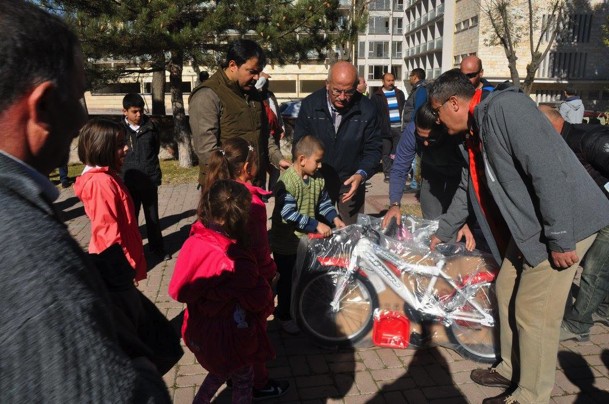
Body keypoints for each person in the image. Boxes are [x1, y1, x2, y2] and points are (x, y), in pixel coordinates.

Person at [0, 1, 169, 401]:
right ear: (41, 105)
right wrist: (138, 361)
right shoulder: (29, 252)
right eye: (76, 99)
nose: (79, 122)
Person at [428, 69, 609, 404]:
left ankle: (530, 395)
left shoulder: (505, 109)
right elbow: (469, 187)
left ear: (453, 103)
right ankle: (512, 369)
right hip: (533, 226)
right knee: (506, 287)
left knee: (533, 310)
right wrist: (443, 231)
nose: (437, 121)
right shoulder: (476, 129)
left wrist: (559, 237)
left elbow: (546, 168)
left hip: (566, 221)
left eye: (437, 113)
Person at [169, 180, 275, 404]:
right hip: (235, 336)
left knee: (219, 370)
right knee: (244, 380)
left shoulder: (193, 241)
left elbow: (177, 289)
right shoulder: (239, 259)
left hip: (202, 331)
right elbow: (259, 300)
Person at [200, 138, 289, 399]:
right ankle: (258, 383)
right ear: (248, 166)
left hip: (223, 278)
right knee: (253, 335)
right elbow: (260, 249)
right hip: (250, 279)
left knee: (235, 331)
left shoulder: (214, 193)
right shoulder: (253, 203)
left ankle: (235, 371)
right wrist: (271, 272)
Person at [539, 105, 609, 341]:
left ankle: (579, 325)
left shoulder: (588, 140)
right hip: (595, 212)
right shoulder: (560, 142)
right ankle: (603, 307)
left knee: (594, 271)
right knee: (598, 264)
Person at [270, 135, 346, 333]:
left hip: (304, 243)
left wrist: (334, 218)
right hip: (285, 244)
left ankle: (297, 309)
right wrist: (316, 224)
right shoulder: (287, 182)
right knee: (287, 280)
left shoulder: (317, 179)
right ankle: (283, 315)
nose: (320, 166)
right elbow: (288, 214)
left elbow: (324, 202)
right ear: (302, 159)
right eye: (317, 161)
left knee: (301, 277)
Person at [189, 39, 287, 188]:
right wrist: (236, 179)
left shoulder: (253, 93)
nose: (256, 78)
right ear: (233, 65)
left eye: (259, 72)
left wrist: (278, 159)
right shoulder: (207, 95)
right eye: (252, 72)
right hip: (225, 189)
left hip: (255, 184)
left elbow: (264, 134)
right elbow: (207, 151)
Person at [293, 61, 382, 225]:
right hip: (316, 179)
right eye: (337, 91)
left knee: (351, 231)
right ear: (327, 84)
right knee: (317, 232)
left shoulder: (367, 109)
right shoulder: (310, 105)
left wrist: (361, 174)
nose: (342, 97)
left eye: (348, 92)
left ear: (356, 86)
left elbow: (374, 149)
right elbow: (299, 144)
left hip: (351, 181)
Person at [74, 118, 148, 282]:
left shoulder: (107, 177)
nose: (127, 148)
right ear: (102, 148)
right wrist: (122, 273)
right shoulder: (101, 184)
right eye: (120, 145)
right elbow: (108, 234)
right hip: (116, 268)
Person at [120, 93, 170, 261]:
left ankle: (157, 249)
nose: (139, 115)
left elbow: (154, 150)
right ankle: (133, 251)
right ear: (125, 111)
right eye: (134, 111)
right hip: (128, 182)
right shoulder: (119, 131)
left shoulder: (151, 127)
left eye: (141, 111)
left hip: (148, 180)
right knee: (130, 220)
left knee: (153, 218)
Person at [255, 72, 290, 191]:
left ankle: (273, 189)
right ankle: (263, 190)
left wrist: (281, 127)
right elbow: (257, 88)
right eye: (264, 80)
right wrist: (261, 80)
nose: (266, 82)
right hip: (261, 134)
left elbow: (276, 112)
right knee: (262, 164)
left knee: (276, 162)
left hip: (274, 133)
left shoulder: (270, 95)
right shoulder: (256, 95)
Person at [370, 72, 406, 182]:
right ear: (383, 81)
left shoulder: (399, 93)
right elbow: (374, 114)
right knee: (385, 152)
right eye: (388, 80)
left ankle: (395, 172)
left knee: (396, 151)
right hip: (385, 129)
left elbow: (403, 109)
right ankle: (387, 173)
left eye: (392, 80)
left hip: (398, 128)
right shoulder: (377, 96)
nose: (391, 82)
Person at [402, 68, 427, 191]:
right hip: (412, 127)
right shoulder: (418, 89)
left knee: (416, 156)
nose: (409, 78)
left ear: (415, 77)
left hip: (415, 128)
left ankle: (415, 184)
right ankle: (414, 181)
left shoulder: (421, 90)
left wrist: (413, 126)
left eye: (410, 75)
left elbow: (418, 109)